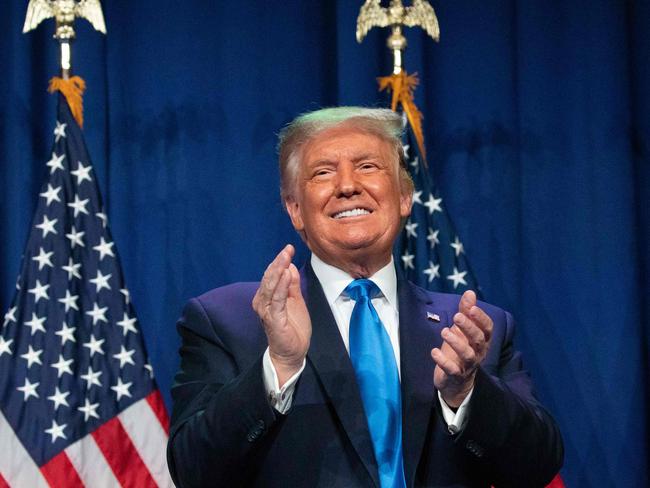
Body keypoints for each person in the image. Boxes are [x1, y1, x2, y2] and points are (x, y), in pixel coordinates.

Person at [167, 107, 563, 487]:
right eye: (322, 172)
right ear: (294, 210)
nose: (347, 185)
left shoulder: (474, 332)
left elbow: (535, 468)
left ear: (405, 197)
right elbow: (193, 472)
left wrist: (466, 394)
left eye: (367, 166)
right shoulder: (228, 321)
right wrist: (279, 365)